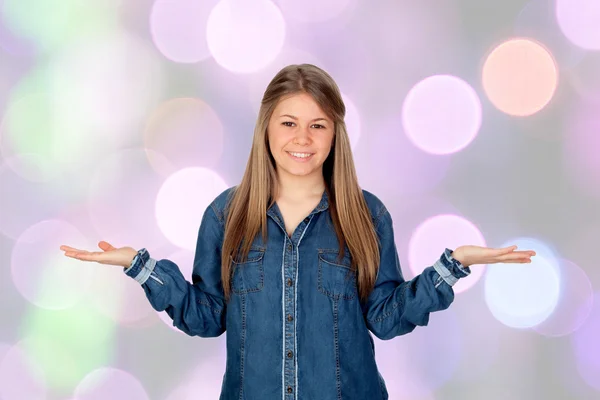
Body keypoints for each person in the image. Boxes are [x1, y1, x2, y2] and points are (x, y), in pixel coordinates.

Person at [60, 64, 535, 400]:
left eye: (317, 125)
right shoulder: (227, 215)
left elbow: (387, 319)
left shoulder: (366, 216)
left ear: (335, 134)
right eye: (288, 123)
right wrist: (139, 267)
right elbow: (205, 317)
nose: (302, 139)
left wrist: (453, 267)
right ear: (266, 126)